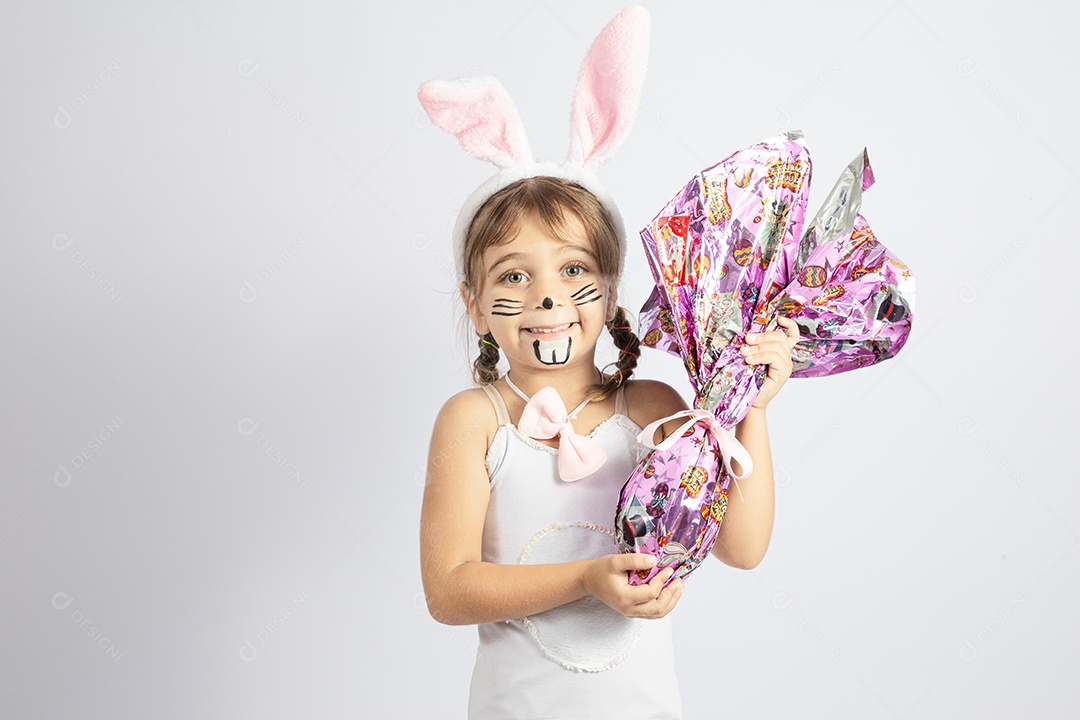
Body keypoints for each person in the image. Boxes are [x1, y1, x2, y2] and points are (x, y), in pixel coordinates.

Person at [419, 174, 801, 718]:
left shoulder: (650, 408)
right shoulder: (474, 420)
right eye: (514, 276)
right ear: (476, 305)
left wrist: (753, 410)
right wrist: (585, 580)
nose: (545, 296)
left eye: (573, 268)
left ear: (612, 288)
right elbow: (448, 591)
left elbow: (741, 548)